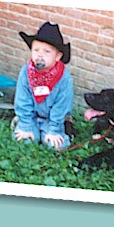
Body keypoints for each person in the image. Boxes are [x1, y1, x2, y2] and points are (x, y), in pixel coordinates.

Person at [13, 22, 73, 151]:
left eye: (47, 51)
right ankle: (21, 122)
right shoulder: (26, 72)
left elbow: (61, 106)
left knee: (56, 145)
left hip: (51, 119)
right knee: (25, 141)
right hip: (31, 116)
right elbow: (23, 99)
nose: (40, 55)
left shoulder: (64, 78)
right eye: (36, 50)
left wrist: (54, 130)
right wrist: (26, 126)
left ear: (58, 56)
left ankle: (64, 128)